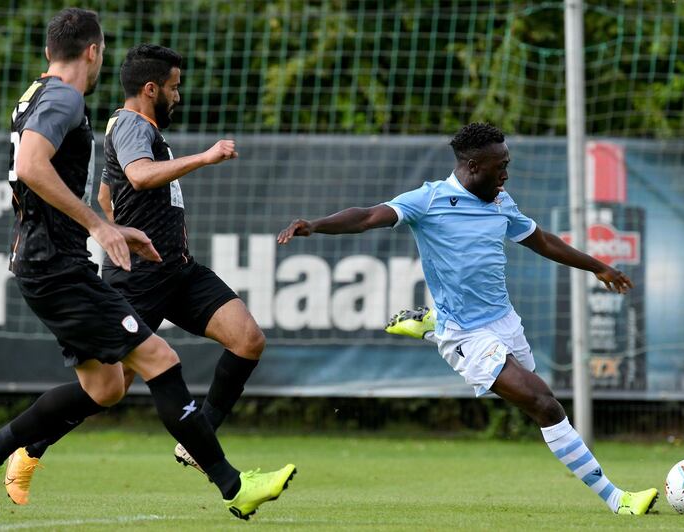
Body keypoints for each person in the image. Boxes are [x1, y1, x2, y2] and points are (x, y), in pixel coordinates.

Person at [0, 9, 294, 521]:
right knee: (160, 361)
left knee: (107, 387)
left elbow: (99, 189)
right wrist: (101, 226)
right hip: (57, 265)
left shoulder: (38, 95)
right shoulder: (67, 98)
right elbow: (31, 166)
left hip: (62, 263)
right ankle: (233, 485)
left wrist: (115, 225)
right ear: (93, 51)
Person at [277, 122, 657, 515]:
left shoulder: (499, 201)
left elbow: (541, 240)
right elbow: (369, 216)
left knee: (533, 399)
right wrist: (317, 225)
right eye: (500, 166)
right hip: (468, 335)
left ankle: (431, 322)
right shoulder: (429, 200)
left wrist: (598, 267)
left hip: (505, 323)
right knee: (546, 405)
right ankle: (618, 499)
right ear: (474, 166)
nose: (506, 174)